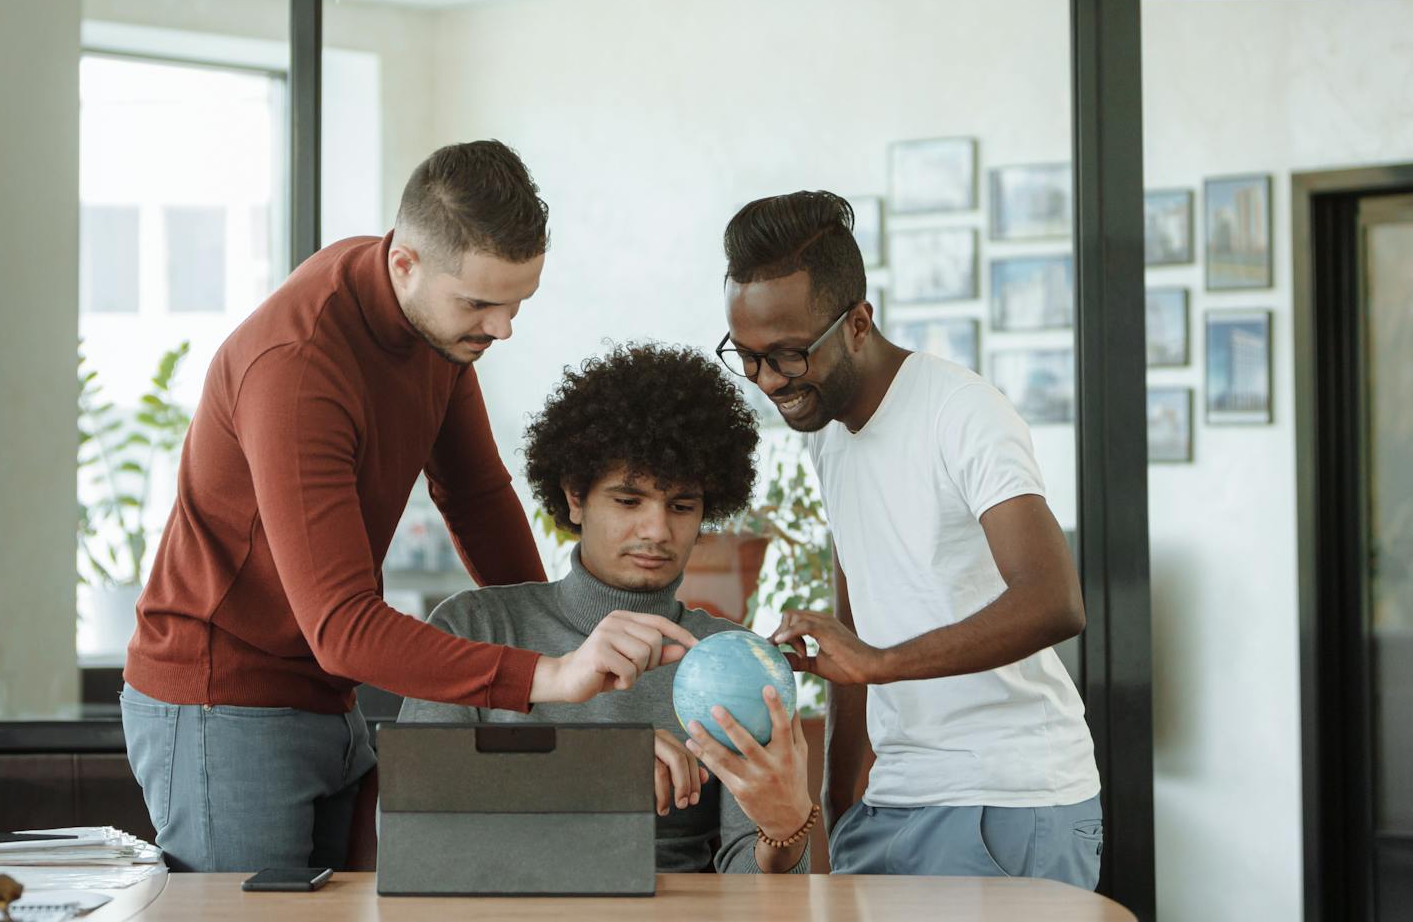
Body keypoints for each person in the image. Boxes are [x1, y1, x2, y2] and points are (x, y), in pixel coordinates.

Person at [121, 141, 699, 872]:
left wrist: (561, 639)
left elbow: (478, 498)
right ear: (405, 263)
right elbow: (341, 626)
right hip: (223, 699)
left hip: (327, 699)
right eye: (480, 304)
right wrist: (546, 676)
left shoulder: (434, 328)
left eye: (517, 304)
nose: (502, 329)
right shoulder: (300, 368)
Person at [717, 191, 1102, 888]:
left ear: (859, 323)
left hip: (1005, 801)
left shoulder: (961, 412)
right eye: (746, 357)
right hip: (887, 807)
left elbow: (1054, 600)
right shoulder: (831, 439)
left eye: (790, 354)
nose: (769, 381)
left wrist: (879, 663)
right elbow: (855, 623)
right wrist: (837, 802)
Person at [402, 342, 815, 875]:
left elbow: (756, 885)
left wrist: (784, 834)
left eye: (683, 506)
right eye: (627, 501)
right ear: (574, 497)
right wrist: (598, 769)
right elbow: (413, 829)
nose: (657, 531)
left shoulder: (730, 661)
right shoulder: (473, 628)